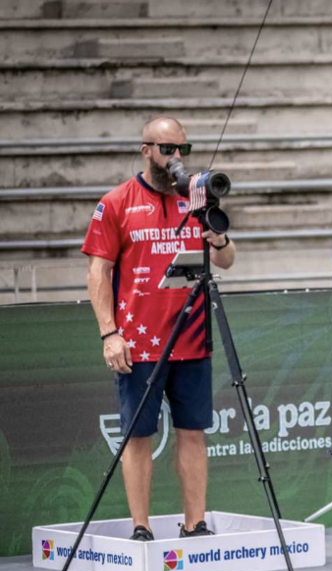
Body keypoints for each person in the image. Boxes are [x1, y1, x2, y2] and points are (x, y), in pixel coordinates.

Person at [83, 117, 236, 541]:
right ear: (146, 149)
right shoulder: (116, 202)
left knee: (193, 432)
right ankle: (141, 527)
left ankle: (195, 523)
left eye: (183, 149)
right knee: (138, 436)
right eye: (167, 149)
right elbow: (98, 272)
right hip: (138, 340)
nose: (177, 158)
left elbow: (225, 260)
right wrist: (108, 333)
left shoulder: (195, 197)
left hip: (192, 335)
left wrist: (218, 236)